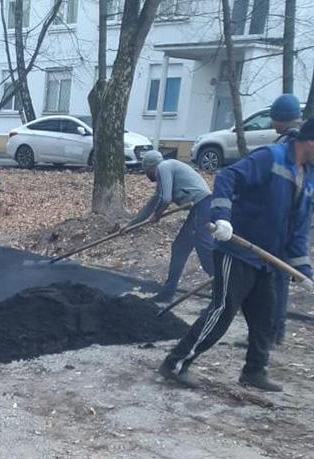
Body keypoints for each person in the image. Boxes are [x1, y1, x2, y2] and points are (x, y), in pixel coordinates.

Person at [159, 117, 314, 392]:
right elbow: (227, 176)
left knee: (265, 316)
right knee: (222, 311)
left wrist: (303, 268)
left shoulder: (308, 178)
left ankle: (254, 371)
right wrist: (222, 217)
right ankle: (175, 363)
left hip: (267, 259)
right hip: (238, 250)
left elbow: (299, 227)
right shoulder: (271, 158)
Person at [123, 150, 214, 303]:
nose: (147, 175)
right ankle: (168, 292)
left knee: (204, 248)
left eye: (146, 171)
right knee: (180, 247)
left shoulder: (163, 167)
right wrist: (130, 225)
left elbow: (165, 199)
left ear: (150, 167)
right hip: (200, 207)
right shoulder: (165, 173)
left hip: (203, 205)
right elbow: (152, 205)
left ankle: (222, 290)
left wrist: (157, 215)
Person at [269, 94, 302, 345]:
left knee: (275, 280)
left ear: (281, 119)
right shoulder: (300, 138)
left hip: (285, 220)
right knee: (278, 279)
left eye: (274, 118)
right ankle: (275, 331)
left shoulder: (291, 142)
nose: (272, 123)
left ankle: (272, 333)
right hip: (293, 220)